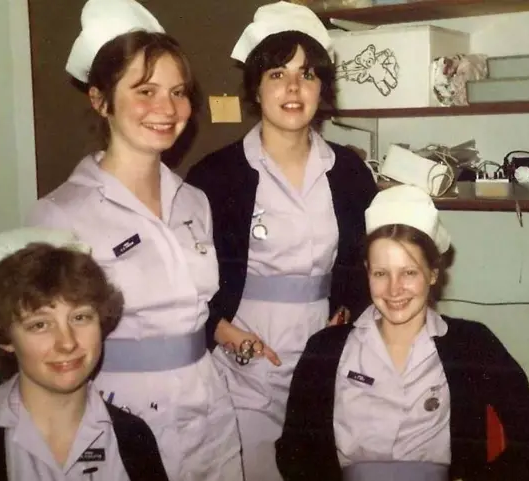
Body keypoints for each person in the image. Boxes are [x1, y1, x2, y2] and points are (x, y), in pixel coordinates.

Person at [26, 1, 243, 480]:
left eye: (178, 92)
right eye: (145, 91)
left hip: (211, 409)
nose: (167, 109)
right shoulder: (61, 214)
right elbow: (42, 349)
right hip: (122, 418)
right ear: (100, 100)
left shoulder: (194, 202)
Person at [185, 2, 377, 480]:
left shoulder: (350, 172)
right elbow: (186, 279)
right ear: (256, 86)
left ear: (321, 88)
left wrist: (348, 310)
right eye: (277, 73)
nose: (293, 88)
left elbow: (365, 260)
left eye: (307, 74)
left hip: (324, 356)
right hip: (245, 359)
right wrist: (224, 333)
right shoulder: (216, 176)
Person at [276, 185, 529, 481]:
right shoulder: (325, 349)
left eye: (409, 272)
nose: (394, 289)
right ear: (367, 273)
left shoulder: (473, 345)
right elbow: (293, 453)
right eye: (381, 273)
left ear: (433, 274)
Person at [0, 227, 170, 481]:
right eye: (40, 324)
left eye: (80, 317)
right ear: (5, 337)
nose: (67, 343)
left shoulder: (134, 437)